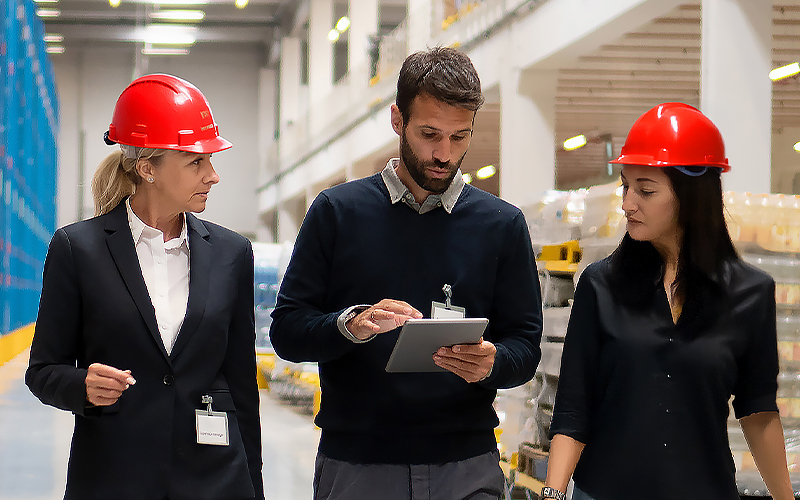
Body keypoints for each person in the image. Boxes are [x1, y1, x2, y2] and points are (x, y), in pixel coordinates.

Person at [269, 46, 542, 500]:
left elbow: (525, 348)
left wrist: (493, 362)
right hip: (359, 465)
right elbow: (288, 332)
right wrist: (350, 325)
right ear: (398, 120)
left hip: (467, 467)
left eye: (460, 137)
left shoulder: (502, 225)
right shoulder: (336, 213)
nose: (444, 153)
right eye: (430, 134)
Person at [25, 74, 264, 500]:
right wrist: (81, 386)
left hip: (215, 480)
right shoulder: (77, 249)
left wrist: (254, 486)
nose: (213, 176)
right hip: (114, 477)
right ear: (147, 168)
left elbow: (241, 382)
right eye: (196, 162)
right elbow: (43, 371)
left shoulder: (232, 252)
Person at [542, 102, 794, 500]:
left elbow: (758, 411)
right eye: (625, 186)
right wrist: (552, 493)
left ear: (692, 196)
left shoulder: (750, 293)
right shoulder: (600, 285)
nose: (627, 203)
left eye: (645, 190)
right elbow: (574, 408)